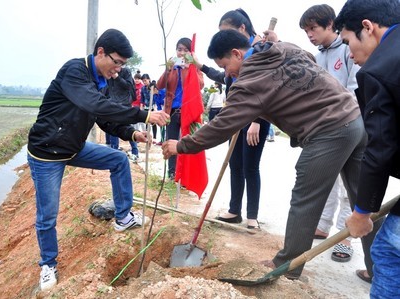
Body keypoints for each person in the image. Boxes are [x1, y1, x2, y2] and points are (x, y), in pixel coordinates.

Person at [162, 29, 377, 280]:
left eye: (226, 66)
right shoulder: (284, 47)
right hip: (354, 120)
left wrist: (182, 145)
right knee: (365, 204)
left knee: (305, 200)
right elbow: (308, 57)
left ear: (237, 53)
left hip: (328, 131)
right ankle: (381, 270)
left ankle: (287, 269)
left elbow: (222, 125)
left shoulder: (250, 81)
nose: (228, 73)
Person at [27, 28, 170, 291]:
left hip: (73, 148)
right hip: (46, 154)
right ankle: (48, 264)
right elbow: (96, 106)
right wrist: (144, 116)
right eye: (116, 62)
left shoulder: (100, 82)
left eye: (123, 65)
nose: (118, 70)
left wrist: (132, 133)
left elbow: (104, 119)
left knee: (118, 159)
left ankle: (123, 217)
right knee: (47, 216)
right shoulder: (75, 72)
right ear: (100, 52)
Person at [335, 1, 400, 297]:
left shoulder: (379, 69)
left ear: (368, 27)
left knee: (388, 249)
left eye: (348, 42)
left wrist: (362, 212)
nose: (350, 54)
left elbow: (380, 149)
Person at [193, 9, 270, 229]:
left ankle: (252, 215)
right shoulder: (234, 61)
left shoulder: (260, 51)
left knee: (250, 166)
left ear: (241, 29)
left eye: (226, 33)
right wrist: (202, 67)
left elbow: (263, 90)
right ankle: (234, 210)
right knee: (234, 163)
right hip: (237, 115)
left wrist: (256, 120)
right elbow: (224, 76)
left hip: (256, 118)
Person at [299, 4, 362, 266]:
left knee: (350, 185)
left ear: (329, 24)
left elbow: (356, 88)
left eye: (313, 28)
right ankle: (323, 225)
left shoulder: (349, 49)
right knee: (329, 179)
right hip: (325, 126)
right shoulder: (316, 56)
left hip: (350, 123)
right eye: (306, 31)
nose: (310, 35)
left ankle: (345, 237)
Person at [156, 37, 204, 180]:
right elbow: (159, 85)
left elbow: (200, 85)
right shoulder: (172, 68)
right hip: (172, 111)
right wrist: (168, 69)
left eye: (185, 50)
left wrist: (190, 69)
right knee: (171, 142)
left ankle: (185, 176)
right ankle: (172, 174)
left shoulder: (194, 68)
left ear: (191, 52)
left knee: (186, 143)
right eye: (179, 49)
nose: (182, 53)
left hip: (188, 112)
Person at [140, 73, 158, 141]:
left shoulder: (153, 87)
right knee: (147, 121)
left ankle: (155, 137)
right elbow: (142, 98)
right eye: (143, 81)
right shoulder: (143, 88)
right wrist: (141, 106)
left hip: (153, 106)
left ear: (149, 79)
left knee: (153, 122)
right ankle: (148, 136)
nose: (144, 82)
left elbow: (156, 96)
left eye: (145, 80)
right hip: (146, 107)